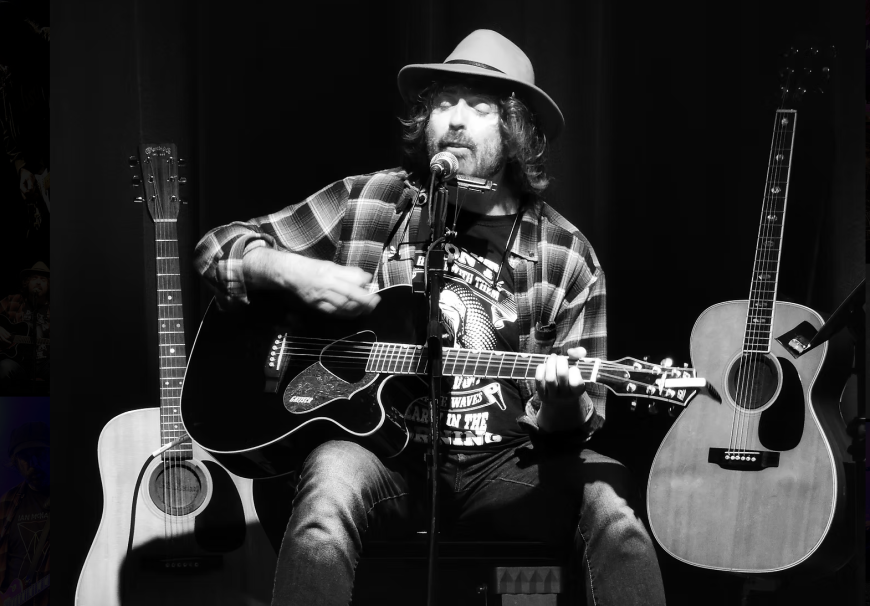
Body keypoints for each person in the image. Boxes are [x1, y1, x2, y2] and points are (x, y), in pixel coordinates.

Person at [194, 29, 666, 605]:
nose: (456, 120)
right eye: (444, 103)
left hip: (506, 463)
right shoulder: (367, 200)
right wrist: (292, 272)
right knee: (324, 497)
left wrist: (564, 401)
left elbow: (583, 422)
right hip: (380, 455)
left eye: (481, 106)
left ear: (518, 129)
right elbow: (216, 247)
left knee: (616, 515)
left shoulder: (565, 254)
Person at [0, 421, 50, 606]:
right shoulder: (6, 502)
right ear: (15, 462)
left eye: (40, 453)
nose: (33, 464)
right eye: (25, 457)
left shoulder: (76, 499)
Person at [0, 262, 50, 392]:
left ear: (49, 285)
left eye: (43, 279)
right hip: (17, 362)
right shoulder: (13, 300)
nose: (38, 282)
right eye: (34, 278)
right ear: (27, 282)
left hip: (45, 363)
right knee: (4, 368)